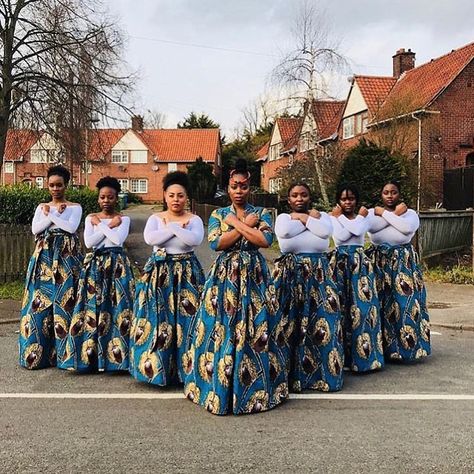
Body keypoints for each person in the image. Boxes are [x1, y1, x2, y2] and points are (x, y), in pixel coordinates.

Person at [184, 159, 287, 415]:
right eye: (234, 186)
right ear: (228, 188)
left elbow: (264, 241)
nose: (239, 191)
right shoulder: (218, 214)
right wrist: (245, 226)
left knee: (258, 327)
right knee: (221, 327)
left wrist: (238, 224)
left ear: (249, 187)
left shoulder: (262, 213)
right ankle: (218, 386)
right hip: (224, 278)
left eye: (243, 186)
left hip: (255, 278)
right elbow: (217, 244)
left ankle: (255, 388)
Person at [129, 171, 205, 386]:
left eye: (180, 196)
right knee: (158, 320)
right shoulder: (154, 218)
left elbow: (193, 240)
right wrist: (176, 228)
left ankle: (186, 371)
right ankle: (157, 370)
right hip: (159, 274)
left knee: (187, 320)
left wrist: (168, 227)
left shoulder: (195, 219)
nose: (176, 200)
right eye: (171, 195)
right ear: (164, 196)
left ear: (186, 197)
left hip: (187, 274)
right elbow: (151, 238)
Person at [273, 182, 344, 392]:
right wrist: (309, 221)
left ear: (309, 198)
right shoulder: (283, 218)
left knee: (322, 323)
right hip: (290, 275)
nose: (299, 199)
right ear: (288, 199)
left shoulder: (323, 216)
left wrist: (303, 218)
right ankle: (290, 375)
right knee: (288, 325)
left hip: (319, 276)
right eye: (294, 195)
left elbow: (324, 234)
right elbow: (285, 234)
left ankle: (320, 376)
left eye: (303, 195)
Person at [61, 177, 134, 372]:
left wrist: (103, 226)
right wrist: (108, 226)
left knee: (117, 308)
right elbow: (89, 243)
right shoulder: (90, 217)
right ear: (98, 199)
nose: (106, 201)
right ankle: (90, 357)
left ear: (116, 198)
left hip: (117, 267)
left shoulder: (124, 219)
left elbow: (117, 240)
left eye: (110, 197)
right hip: (94, 267)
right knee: (91, 308)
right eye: (102, 197)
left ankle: (115, 359)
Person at [19, 165, 83, 369]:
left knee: (66, 302)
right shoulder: (41, 207)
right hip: (44, 259)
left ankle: (66, 356)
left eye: (59, 185)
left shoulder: (75, 207)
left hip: (67, 259)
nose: (55, 189)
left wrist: (52, 215)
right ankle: (37, 355)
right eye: (52, 185)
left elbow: (70, 228)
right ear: (47, 186)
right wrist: (50, 214)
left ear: (66, 185)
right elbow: (35, 229)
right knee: (39, 303)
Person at [367, 181, 431, 361]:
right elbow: (373, 228)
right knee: (381, 304)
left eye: (393, 192)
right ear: (381, 194)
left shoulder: (410, 214)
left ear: (399, 194)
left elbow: (407, 228)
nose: (389, 195)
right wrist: (394, 215)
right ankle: (385, 349)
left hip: (403, 263)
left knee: (405, 305)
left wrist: (386, 215)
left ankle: (407, 348)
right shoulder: (373, 214)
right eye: (386, 192)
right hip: (379, 263)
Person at [330, 184, 384, 373]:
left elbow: (358, 231)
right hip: (340, 264)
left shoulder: (359, 218)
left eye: (351, 198)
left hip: (360, 264)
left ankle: (364, 358)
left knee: (363, 309)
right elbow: (343, 235)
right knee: (342, 308)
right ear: (338, 200)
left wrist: (353, 219)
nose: (347, 202)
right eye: (344, 199)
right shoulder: (332, 218)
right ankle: (344, 358)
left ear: (356, 200)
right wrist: (357, 218)